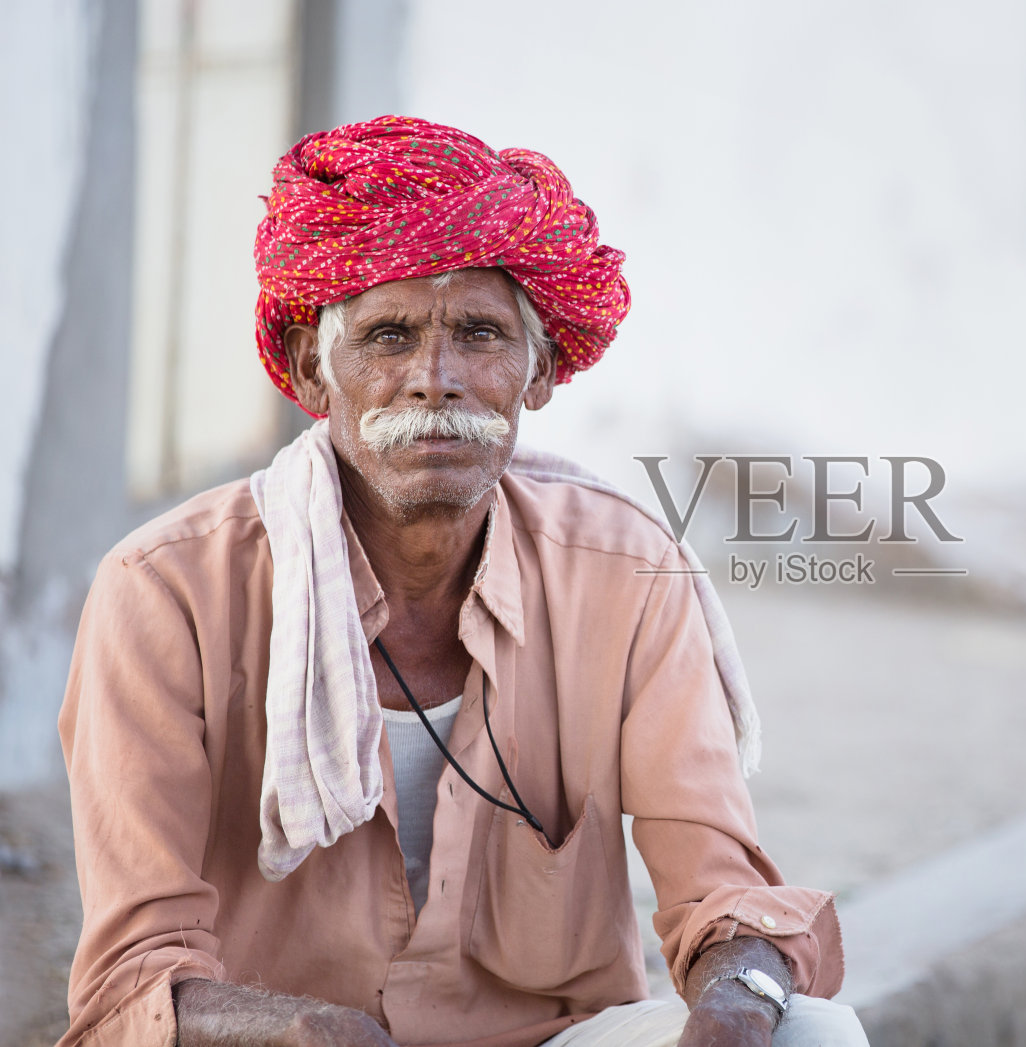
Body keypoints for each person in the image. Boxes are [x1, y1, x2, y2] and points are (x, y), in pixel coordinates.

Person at [57, 115, 865, 1047]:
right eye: (387, 336)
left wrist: (740, 998)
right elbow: (134, 979)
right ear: (314, 376)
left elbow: (719, 889)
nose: (433, 379)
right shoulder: (166, 593)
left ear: (541, 371)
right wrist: (322, 1033)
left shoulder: (627, 574)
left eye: (480, 334)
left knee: (814, 1033)